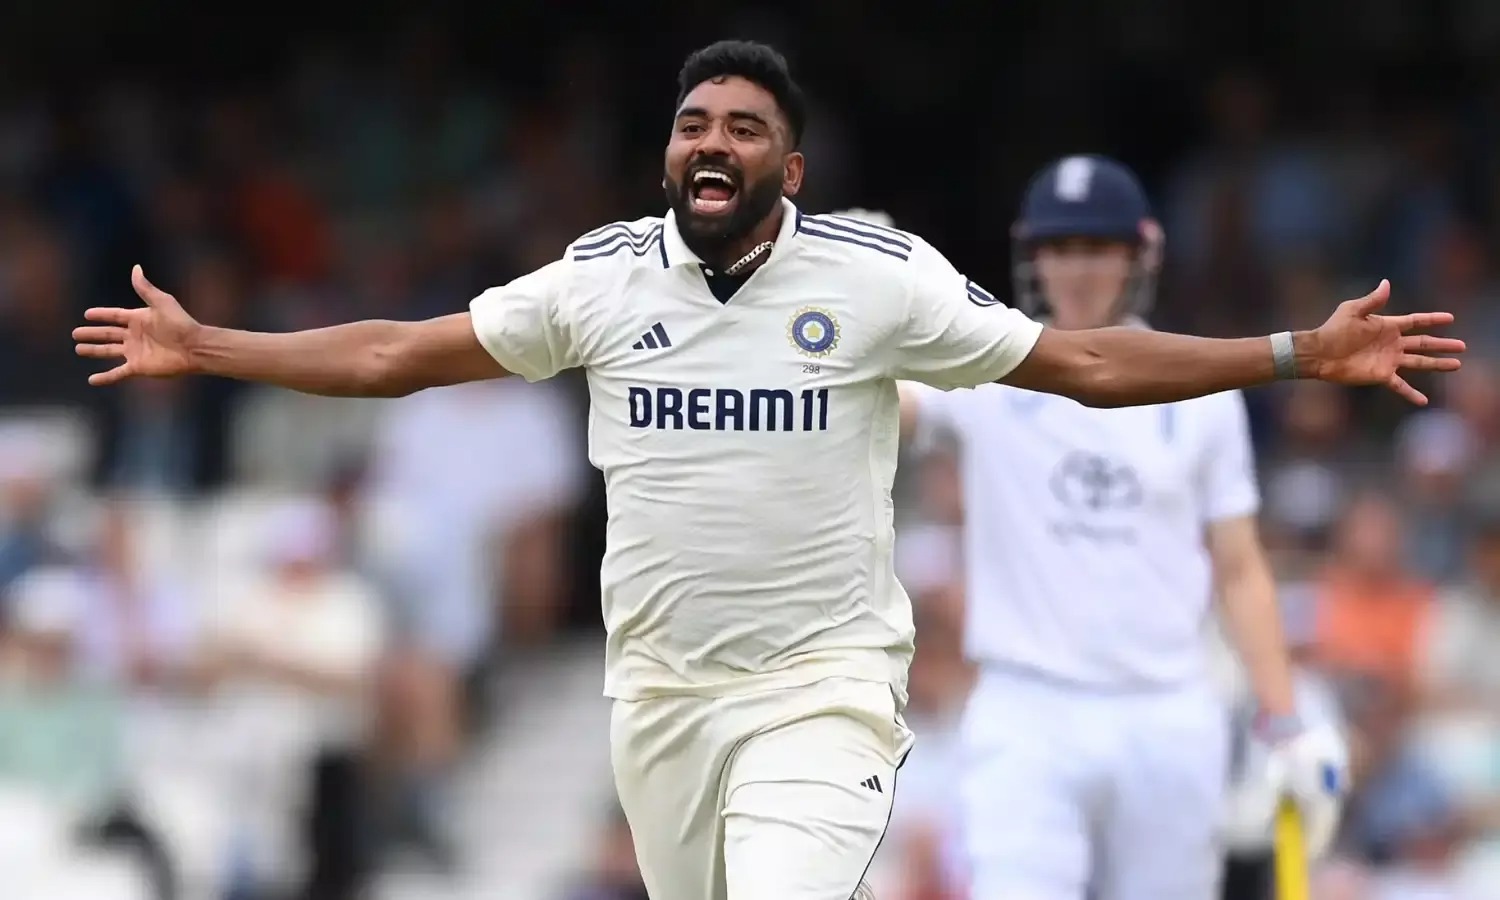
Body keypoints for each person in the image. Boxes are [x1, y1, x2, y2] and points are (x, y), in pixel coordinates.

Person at [72, 41, 1463, 900]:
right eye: (694, 124)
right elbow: (394, 354)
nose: (713, 143)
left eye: (744, 128)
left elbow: (1086, 363)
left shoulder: (878, 278)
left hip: (823, 689)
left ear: (788, 168)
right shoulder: (600, 281)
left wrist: (1295, 351)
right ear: (666, 158)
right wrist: (210, 345)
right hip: (661, 693)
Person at [888, 154, 1346, 898]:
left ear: (1139, 255)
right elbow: (889, 406)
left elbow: (1239, 566)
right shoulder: (984, 368)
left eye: (1098, 247)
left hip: (1165, 707)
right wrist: (850, 312)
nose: (1078, 269)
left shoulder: (1201, 391)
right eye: (1061, 247)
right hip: (1028, 706)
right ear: (1031, 254)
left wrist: (1285, 719)